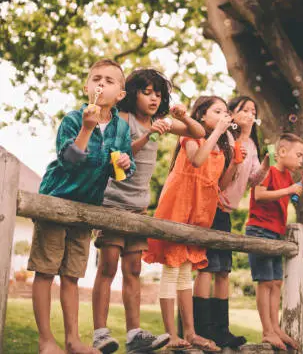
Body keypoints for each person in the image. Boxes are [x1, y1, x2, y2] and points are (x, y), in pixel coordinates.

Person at [92, 69, 205, 354]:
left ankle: (134, 335)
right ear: (132, 94)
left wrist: (182, 117)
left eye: (158, 93)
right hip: (113, 203)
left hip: (138, 208)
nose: (154, 98)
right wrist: (148, 135)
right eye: (147, 92)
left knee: (133, 269)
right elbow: (120, 150)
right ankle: (100, 334)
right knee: (108, 266)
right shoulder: (123, 119)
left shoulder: (159, 122)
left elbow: (198, 132)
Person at [28, 59, 134, 354]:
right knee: (46, 271)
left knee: (72, 276)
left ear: (120, 95)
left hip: (85, 210)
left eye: (109, 81)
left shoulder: (121, 129)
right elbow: (69, 161)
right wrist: (87, 129)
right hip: (56, 202)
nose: (101, 84)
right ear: (86, 87)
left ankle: (73, 340)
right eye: (96, 78)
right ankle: (46, 340)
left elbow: (121, 170)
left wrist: (125, 163)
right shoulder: (74, 120)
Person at [143, 96, 240, 352]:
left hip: (200, 210)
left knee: (186, 271)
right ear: (201, 116)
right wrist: (218, 131)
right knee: (172, 269)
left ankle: (190, 332)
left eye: (225, 112)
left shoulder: (219, 147)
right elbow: (197, 161)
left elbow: (220, 183)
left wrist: (236, 163)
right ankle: (171, 334)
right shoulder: (190, 135)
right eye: (217, 111)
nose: (223, 115)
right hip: (180, 204)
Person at [193, 95, 270, 348]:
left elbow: (253, 180)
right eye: (244, 109)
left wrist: (267, 165)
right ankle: (202, 329)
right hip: (210, 206)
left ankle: (221, 330)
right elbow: (224, 176)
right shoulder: (225, 138)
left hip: (225, 211)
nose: (250, 113)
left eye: (253, 110)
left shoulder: (253, 146)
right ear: (232, 114)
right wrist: (240, 146)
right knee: (207, 268)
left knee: (223, 270)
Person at [245, 132, 303, 351]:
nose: (302, 160)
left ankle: (276, 327)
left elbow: (292, 198)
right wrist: (290, 188)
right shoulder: (269, 170)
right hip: (259, 230)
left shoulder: (287, 177)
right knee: (265, 282)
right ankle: (267, 331)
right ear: (282, 152)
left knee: (275, 283)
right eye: (299, 154)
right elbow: (259, 195)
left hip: (275, 232)